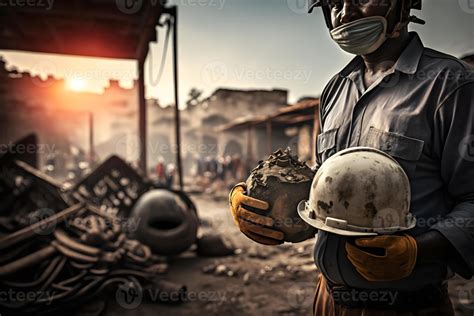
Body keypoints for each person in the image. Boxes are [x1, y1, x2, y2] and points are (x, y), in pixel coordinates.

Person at [229, 0, 474, 315]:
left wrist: (419, 251)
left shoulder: (450, 85)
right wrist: (259, 203)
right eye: (333, 2)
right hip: (328, 300)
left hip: (405, 308)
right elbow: (328, 187)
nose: (344, 12)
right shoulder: (335, 90)